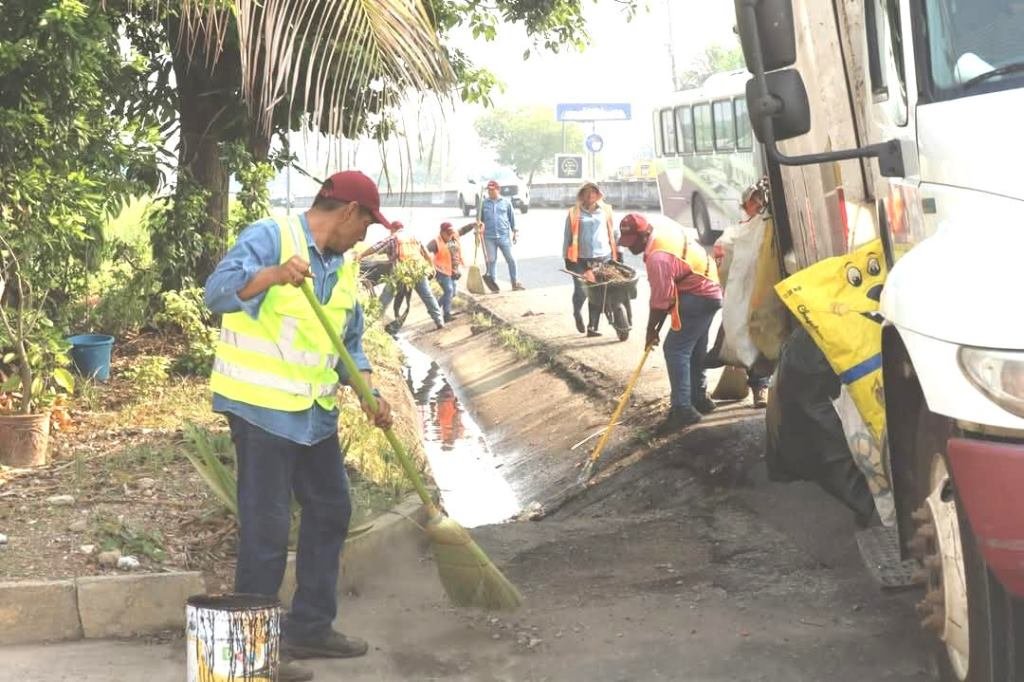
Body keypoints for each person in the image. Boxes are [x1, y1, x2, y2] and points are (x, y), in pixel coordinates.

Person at [204, 170, 395, 682]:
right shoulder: (272, 236)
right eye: (367, 224)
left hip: (313, 413)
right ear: (349, 211)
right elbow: (216, 293)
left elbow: (348, 345)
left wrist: (370, 394)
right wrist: (271, 275)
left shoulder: (344, 268)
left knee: (331, 509)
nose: (365, 235)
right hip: (261, 408)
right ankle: (250, 655)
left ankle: (309, 627)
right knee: (266, 528)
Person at [618, 212, 723, 430]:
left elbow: (661, 300)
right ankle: (699, 398)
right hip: (710, 288)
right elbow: (666, 297)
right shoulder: (661, 237)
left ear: (645, 234)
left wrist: (651, 330)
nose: (630, 247)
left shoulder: (658, 257)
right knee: (695, 347)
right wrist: (655, 326)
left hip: (699, 293)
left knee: (675, 350)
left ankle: (683, 410)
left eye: (633, 241)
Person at [360, 220, 444, 331]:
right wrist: (431, 266)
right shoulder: (413, 237)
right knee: (428, 296)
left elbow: (376, 247)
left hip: (400, 272)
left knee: (386, 296)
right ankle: (439, 320)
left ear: (392, 229)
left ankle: (373, 322)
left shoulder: (393, 238)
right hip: (417, 270)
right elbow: (425, 252)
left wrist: (361, 255)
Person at [563, 181, 619, 337]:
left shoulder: (606, 210)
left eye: (593, 192)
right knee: (581, 291)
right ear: (581, 195)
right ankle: (577, 312)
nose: (590, 195)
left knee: (597, 291)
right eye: (586, 192)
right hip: (580, 258)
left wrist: (618, 251)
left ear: (598, 194)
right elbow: (567, 236)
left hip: (603, 256)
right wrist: (566, 258)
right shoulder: (574, 212)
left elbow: (614, 232)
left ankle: (592, 327)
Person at [477, 179, 524, 292]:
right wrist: (478, 231)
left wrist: (515, 232)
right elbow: (479, 221)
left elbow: (512, 219)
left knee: (511, 259)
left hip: (504, 236)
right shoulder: (483, 204)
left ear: (498, 190)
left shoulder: (506, 203)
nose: (490, 192)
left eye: (492, 190)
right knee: (491, 261)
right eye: (489, 190)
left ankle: (514, 282)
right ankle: (493, 285)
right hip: (489, 237)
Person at [427, 220, 476, 322]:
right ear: (442, 232)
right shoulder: (435, 242)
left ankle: (434, 308)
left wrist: (473, 225)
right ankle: (447, 315)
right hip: (441, 271)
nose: (450, 236)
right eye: (448, 234)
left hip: (452, 271)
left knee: (452, 293)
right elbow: (424, 251)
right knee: (449, 291)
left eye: (451, 233)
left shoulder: (453, 236)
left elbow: (463, 230)